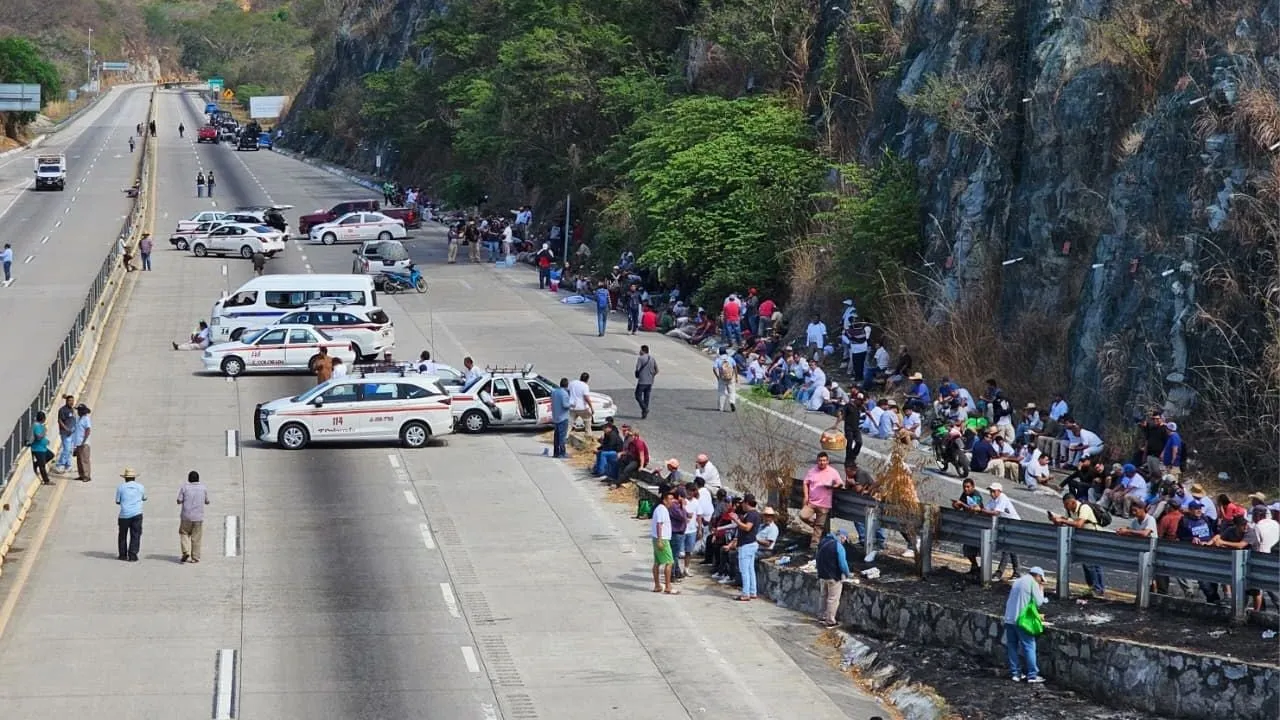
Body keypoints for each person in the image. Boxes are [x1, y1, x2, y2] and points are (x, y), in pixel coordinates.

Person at [1049, 495, 1104, 597]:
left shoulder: (1084, 508)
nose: (1065, 507)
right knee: (1088, 563)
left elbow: (1079, 524)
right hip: (1083, 537)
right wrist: (1057, 520)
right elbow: (1068, 521)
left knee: (1091, 564)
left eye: (1067, 505)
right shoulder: (1070, 510)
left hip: (1094, 536)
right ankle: (1094, 587)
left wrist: (1063, 520)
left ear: (1073, 503)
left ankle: (1097, 588)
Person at [1003, 567, 1048, 683]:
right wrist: (1041, 588)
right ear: (1038, 576)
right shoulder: (1032, 582)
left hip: (1009, 618)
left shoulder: (1018, 581)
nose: (1040, 581)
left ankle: (1015, 673)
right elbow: (1039, 602)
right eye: (1041, 579)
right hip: (1021, 620)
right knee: (1029, 646)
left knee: (1012, 646)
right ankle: (1032, 675)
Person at [802, 452, 843, 549]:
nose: (822, 462)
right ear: (817, 461)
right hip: (812, 502)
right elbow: (805, 483)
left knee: (819, 526)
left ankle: (814, 546)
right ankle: (817, 528)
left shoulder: (832, 472)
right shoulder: (812, 471)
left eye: (824, 460)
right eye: (820, 460)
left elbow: (840, 483)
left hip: (824, 504)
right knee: (803, 515)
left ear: (827, 461)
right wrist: (806, 496)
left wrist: (833, 486)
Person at [816, 529, 851, 627]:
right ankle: (830, 621)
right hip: (834, 577)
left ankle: (821, 616)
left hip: (822, 575)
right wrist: (847, 574)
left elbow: (817, 556)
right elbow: (843, 564)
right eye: (845, 539)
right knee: (833, 599)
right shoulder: (838, 546)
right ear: (842, 537)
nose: (844, 542)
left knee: (823, 596)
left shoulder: (823, 541)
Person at [731, 493, 762, 601]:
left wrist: (736, 520)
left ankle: (745, 593)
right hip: (751, 543)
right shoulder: (755, 514)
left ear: (747, 503)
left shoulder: (752, 514)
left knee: (744, 570)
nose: (742, 505)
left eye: (743, 503)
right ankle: (752, 591)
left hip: (746, 544)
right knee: (750, 569)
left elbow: (747, 528)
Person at [951, 478, 985, 573]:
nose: (966, 489)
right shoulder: (964, 495)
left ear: (973, 487)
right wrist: (956, 505)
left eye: (968, 487)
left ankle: (983, 570)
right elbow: (961, 505)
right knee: (967, 549)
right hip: (969, 525)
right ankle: (974, 566)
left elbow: (975, 509)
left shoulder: (976, 495)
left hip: (978, 525)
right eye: (964, 487)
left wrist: (962, 504)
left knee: (981, 549)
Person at [176, 470, 209, 563]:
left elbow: (179, 500)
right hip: (198, 517)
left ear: (189, 479)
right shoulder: (203, 488)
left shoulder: (184, 488)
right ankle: (195, 558)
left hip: (186, 517)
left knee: (184, 533)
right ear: (198, 479)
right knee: (196, 537)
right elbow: (207, 501)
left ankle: (186, 551)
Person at [115, 467, 147, 562]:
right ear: (134, 478)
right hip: (137, 514)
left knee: (122, 535)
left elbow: (117, 501)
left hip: (124, 515)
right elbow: (144, 498)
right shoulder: (141, 487)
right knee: (136, 534)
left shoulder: (120, 487)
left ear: (125, 478)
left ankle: (123, 555)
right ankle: (132, 555)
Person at [651, 492, 677, 594]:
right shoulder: (662, 510)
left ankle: (657, 585)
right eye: (670, 499)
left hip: (657, 538)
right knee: (669, 562)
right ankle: (668, 586)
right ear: (664, 500)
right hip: (662, 539)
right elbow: (659, 525)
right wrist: (660, 539)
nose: (672, 501)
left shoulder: (660, 509)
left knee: (657, 562)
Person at [634, 345, 658, 419]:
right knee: (646, 397)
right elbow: (656, 370)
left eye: (640, 350)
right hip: (650, 382)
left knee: (637, 395)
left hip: (642, 381)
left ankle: (645, 409)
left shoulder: (640, 358)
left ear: (643, 351)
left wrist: (638, 374)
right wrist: (651, 376)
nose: (639, 352)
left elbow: (637, 369)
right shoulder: (652, 358)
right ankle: (644, 414)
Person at [30, 411, 53, 485]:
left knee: (50, 455)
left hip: (42, 447)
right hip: (38, 449)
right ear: (43, 418)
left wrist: (46, 441)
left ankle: (36, 464)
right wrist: (44, 430)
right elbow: (38, 437)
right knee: (42, 466)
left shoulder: (40, 425)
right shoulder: (36, 426)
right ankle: (46, 480)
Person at [550, 377, 571, 459]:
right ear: (567, 385)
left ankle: (556, 453)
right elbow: (565, 405)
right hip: (563, 417)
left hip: (555, 417)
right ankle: (562, 453)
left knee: (556, 437)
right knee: (562, 437)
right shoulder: (564, 393)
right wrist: (572, 405)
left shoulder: (554, 392)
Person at [55, 394, 76, 474]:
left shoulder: (72, 409)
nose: (72, 402)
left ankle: (68, 466)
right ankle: (59, 464)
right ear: (66, 401)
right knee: (66, 449)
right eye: (70, 401)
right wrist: (66, 429)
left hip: (72, 433)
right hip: (65, 433)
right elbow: (60, 421)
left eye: (72, 401)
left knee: (70, 450)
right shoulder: (62, 410)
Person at [72, 403, 92, 483]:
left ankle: (87, 475)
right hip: (78, 442)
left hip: (84, 443)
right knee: (79, 460)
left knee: (85, 460)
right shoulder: (78, 418)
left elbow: (88, 430)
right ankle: (81, 475)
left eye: (79, 411)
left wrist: (84, 440)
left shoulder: (86, 419)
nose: (78, 412)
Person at [713, 347, 738, 412]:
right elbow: (735, 367)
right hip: (730, 377)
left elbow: (714, 368)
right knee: (732, 392)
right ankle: (732, 402)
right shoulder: (730, 359)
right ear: (726, 352)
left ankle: (721, 407)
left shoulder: (718, 360)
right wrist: (736, 377)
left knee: (722, 392)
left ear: (720, 353)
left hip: (722, 378)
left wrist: (717, 376)